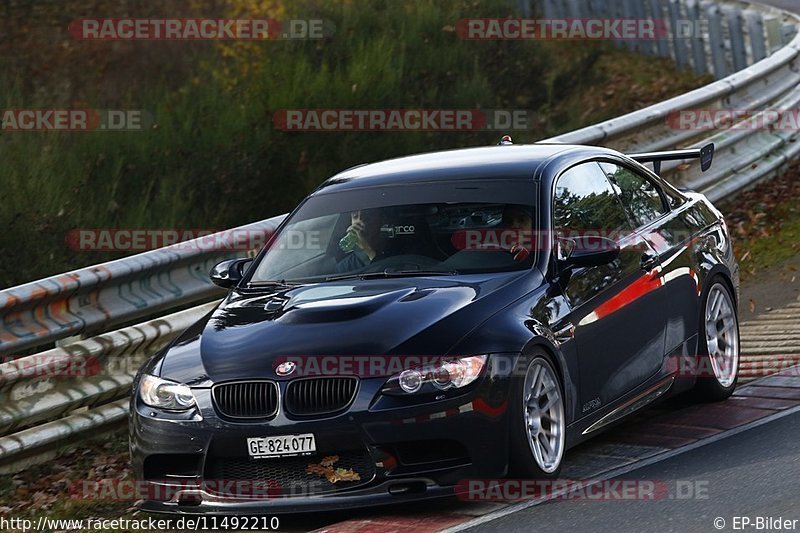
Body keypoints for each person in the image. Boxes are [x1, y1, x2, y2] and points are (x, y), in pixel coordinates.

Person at [335, 208, 383, 273]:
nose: (359, 221)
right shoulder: (345, 266)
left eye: (366, 216)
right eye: (355, 216)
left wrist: (368, 250)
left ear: (378, 221)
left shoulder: (396, 253)